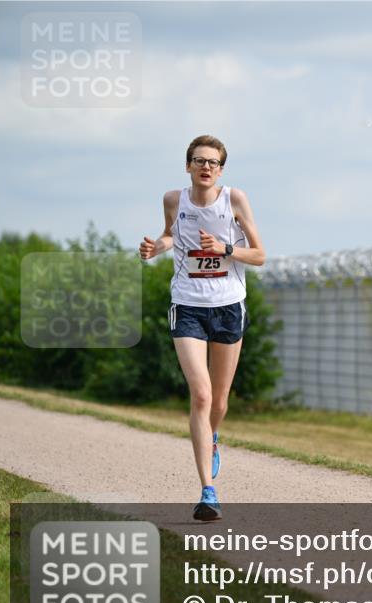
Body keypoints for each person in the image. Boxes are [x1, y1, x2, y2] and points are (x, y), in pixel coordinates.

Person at [138, 135, 265, 521]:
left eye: (212, 162)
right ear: (188, 166)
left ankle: (212, 437)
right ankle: (208, 491)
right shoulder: (174, 200)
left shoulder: (235, 200)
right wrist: (156, 247)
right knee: (201, 396)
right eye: (198, 161)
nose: (205, 167)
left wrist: (224, 250)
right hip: (188, 304)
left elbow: (259, 255)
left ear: (221, 170)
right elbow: (170, 233)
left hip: (228, 306)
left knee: (220, 403)